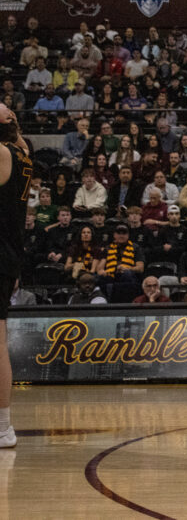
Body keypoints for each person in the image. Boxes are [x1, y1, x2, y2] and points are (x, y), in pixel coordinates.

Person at [0, 104, 29, 448]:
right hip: (8, 256)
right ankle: (3, 426)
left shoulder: (4, 154)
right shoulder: (22, 153)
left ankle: (4, 427)